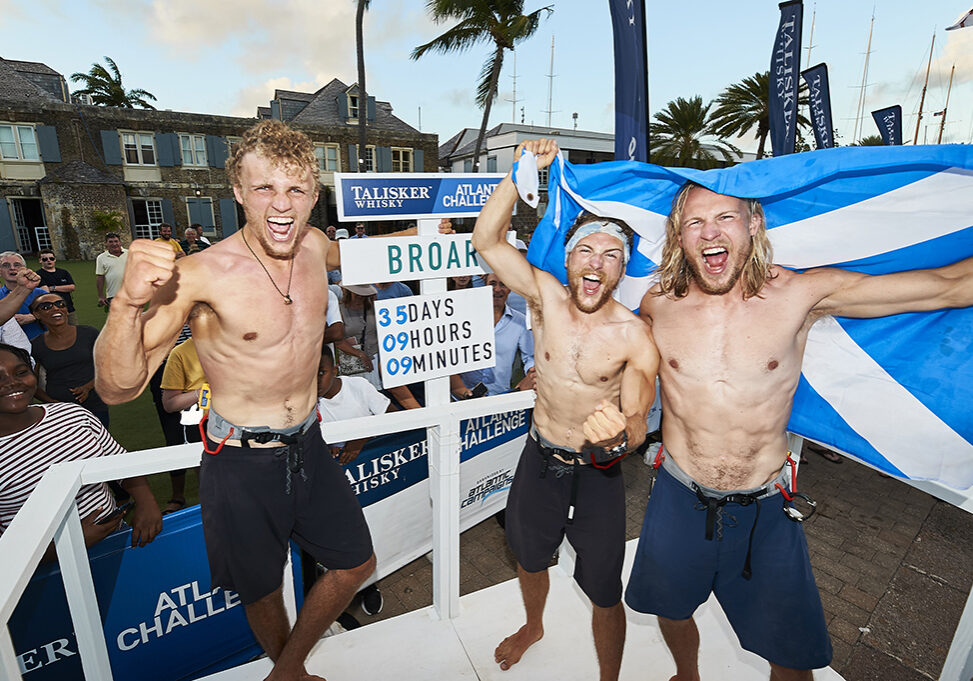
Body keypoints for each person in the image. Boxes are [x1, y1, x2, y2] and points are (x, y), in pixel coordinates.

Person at [624, 179, 973, 681]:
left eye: (725, 217)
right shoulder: (659, 303)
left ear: (754, 225)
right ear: (679, 236)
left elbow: (948, 286)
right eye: (694, 222)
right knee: (671, 608)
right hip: (679, 495)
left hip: (763, 506)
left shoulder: (801, 294)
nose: (709, 232)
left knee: (791, 651)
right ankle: (687, 674)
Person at [93, 119, 375, 681]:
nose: (281, 204)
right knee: (261, 585)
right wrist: (125, 306)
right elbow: (116, 388)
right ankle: (288, 669)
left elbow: (379, 260)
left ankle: (285, 670)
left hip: (309, 443)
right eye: (264, 187)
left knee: (355, 564)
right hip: (241, 457)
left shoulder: (318, 246)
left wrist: (452, 230)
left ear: (314, 197)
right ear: (239, 192)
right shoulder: (199, 274)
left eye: (296, 189)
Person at [471, 138, 659, 681]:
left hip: (597, 472)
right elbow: (487, 238)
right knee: (529, 557)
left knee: (603, 586)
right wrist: (523, 171)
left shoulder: (634, 337)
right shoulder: (545, 297)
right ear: (569, 259)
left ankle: (608, 676)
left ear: (622, 270)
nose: (596, 263)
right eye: (586, 251)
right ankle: (534, 625)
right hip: (539, 457)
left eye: (611, 256)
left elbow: (639, 421)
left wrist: (621, 438)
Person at [0, 343, 162, 558]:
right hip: (43, 577)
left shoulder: (73, 415)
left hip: (118, 544)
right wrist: (63, 547)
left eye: (21, 372)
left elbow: (120, 465)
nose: (12, 383)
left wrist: (146, 502)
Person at [316, 343, 393, 619]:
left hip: (374, 477)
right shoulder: (308, 401)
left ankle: (371, 585)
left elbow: (392, 417)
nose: (315, 382)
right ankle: (346, 590)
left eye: (321, 373)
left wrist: (360, 439)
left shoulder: (358, 387)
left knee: (373, 530)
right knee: (343, 539)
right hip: (338, 484)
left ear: (335, 370)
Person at [29, 293, 110, 427]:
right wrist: (52, 402)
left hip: (95, 404)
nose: (56, 309)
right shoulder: (35, 345)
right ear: (36, 314)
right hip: (60, 412)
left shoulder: (89, 333)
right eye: (46, 306)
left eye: (61, 304)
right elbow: (30, 382)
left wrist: (88, 387)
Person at [160, 337, 206, 514]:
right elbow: (169, 403)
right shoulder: (180, 353)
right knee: (210, 483)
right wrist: (200, 392)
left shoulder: (235, 342)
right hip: (201, 426)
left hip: (238, 421)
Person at [0, 252, 48, 340]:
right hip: (8, 349)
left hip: (42, 343)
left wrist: (34, 317)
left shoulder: (40, 293)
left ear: (25, 269)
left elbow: (60, 315)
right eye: (6, 265)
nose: (12, 268)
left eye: (17, 265)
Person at [35, 249, 78, 325]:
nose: (49, 261)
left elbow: (72, 287)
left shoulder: (63, 272)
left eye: (51, 258)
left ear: (54, 259)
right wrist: (63, 288)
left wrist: (53, 288)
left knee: (74, 331)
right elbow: (45, 292)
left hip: (69, 309)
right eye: (45, 259)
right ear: (40, 260)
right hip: (51, 311)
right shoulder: (38, 275)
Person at [95, 232, 128, 309]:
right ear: (106, 244)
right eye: (110, 242)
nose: (114, 244)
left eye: (116, 241)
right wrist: (101, 296)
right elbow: (100, 277)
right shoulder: (101, 258)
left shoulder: (130, 253)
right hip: (113, 295)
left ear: (120, 242)